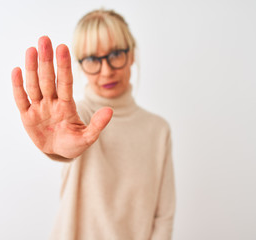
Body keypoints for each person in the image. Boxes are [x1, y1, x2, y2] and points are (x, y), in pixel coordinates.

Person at [11, 9, 176, 240]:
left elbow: (164, 216)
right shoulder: (77, 116)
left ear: (132, 54)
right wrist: (56, 151)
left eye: (116, 54)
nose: (107, 71)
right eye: (92, 59)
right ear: (80, 64)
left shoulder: (158, 130)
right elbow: (66, 147)